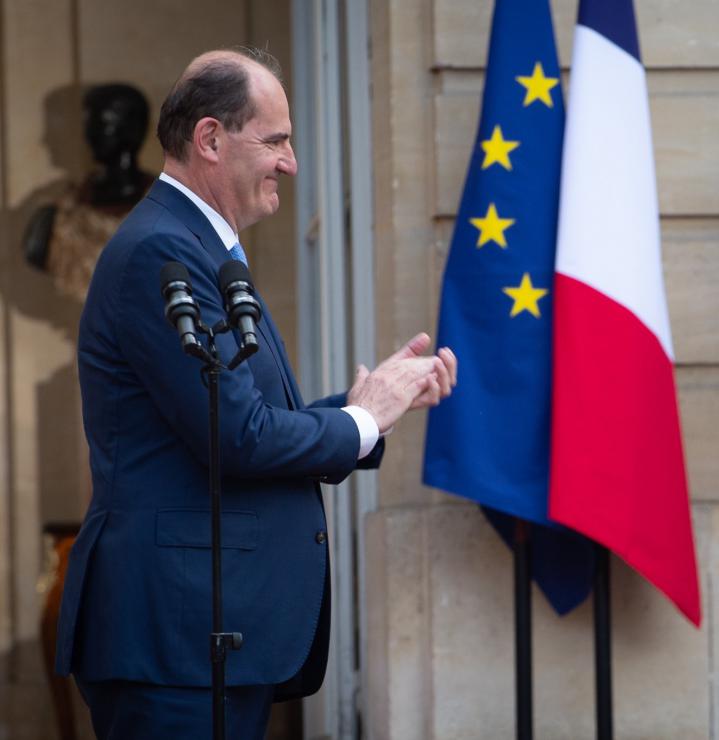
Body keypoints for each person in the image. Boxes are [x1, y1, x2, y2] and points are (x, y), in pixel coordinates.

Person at [53, 47, 457, 738]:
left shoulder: (198, 247)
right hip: (177, 641)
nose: (291, 162)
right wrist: (361, 419)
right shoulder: (162, 250)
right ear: (210, 139)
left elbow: (239, 417)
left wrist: (369, 406)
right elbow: (236, 437)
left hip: (205, 638)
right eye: (276, 140)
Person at [23, 83, 155, 300]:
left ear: (130, 129)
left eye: (99, 124)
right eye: (87, 124)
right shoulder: (53, 224)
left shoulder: (179, 214)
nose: (88, 135)